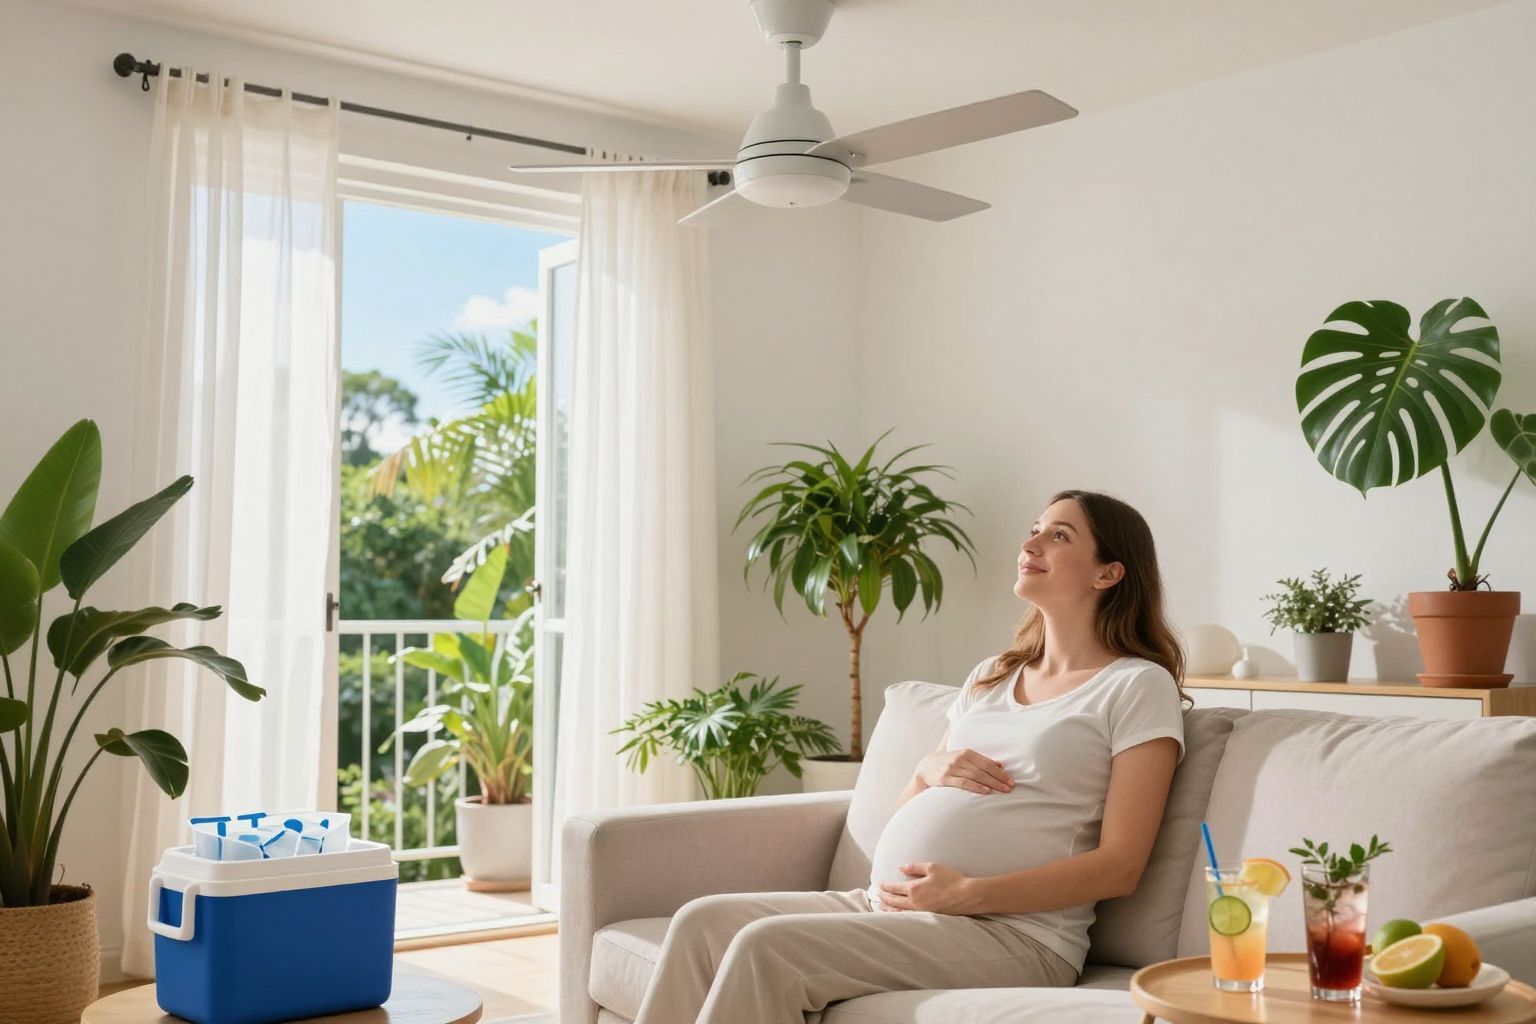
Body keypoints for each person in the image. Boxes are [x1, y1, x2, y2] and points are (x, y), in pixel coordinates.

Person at [633, 489, 1190, 1024]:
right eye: (1034, 530)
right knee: (701, 922)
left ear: (1108, 573)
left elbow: (1122, 866)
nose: (1031, 544)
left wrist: (974, 894)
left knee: (767, 947)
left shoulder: (1136, 686)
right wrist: (926, 770)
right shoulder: (992, 675)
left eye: (1059, 535)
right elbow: (904, 812)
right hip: (889, 904)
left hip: (1014, 932)